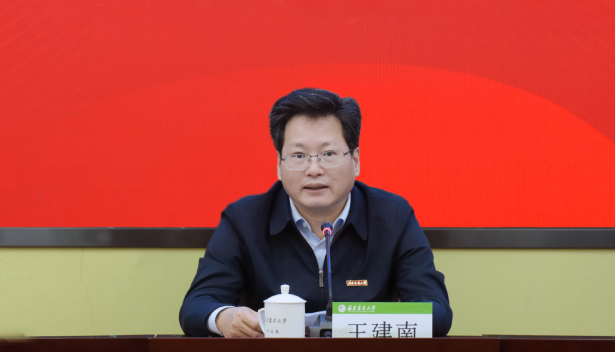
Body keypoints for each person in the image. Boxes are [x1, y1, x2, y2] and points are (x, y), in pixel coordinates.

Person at [179, 88, 452, 337]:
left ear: (355, 161)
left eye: (328, 154)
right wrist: (225, 318)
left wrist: (358, 322)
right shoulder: (244, 220)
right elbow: (196, 305)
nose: (314, 169)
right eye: (299, 156)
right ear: (279, 165)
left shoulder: (393, 217)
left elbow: (436, 311)